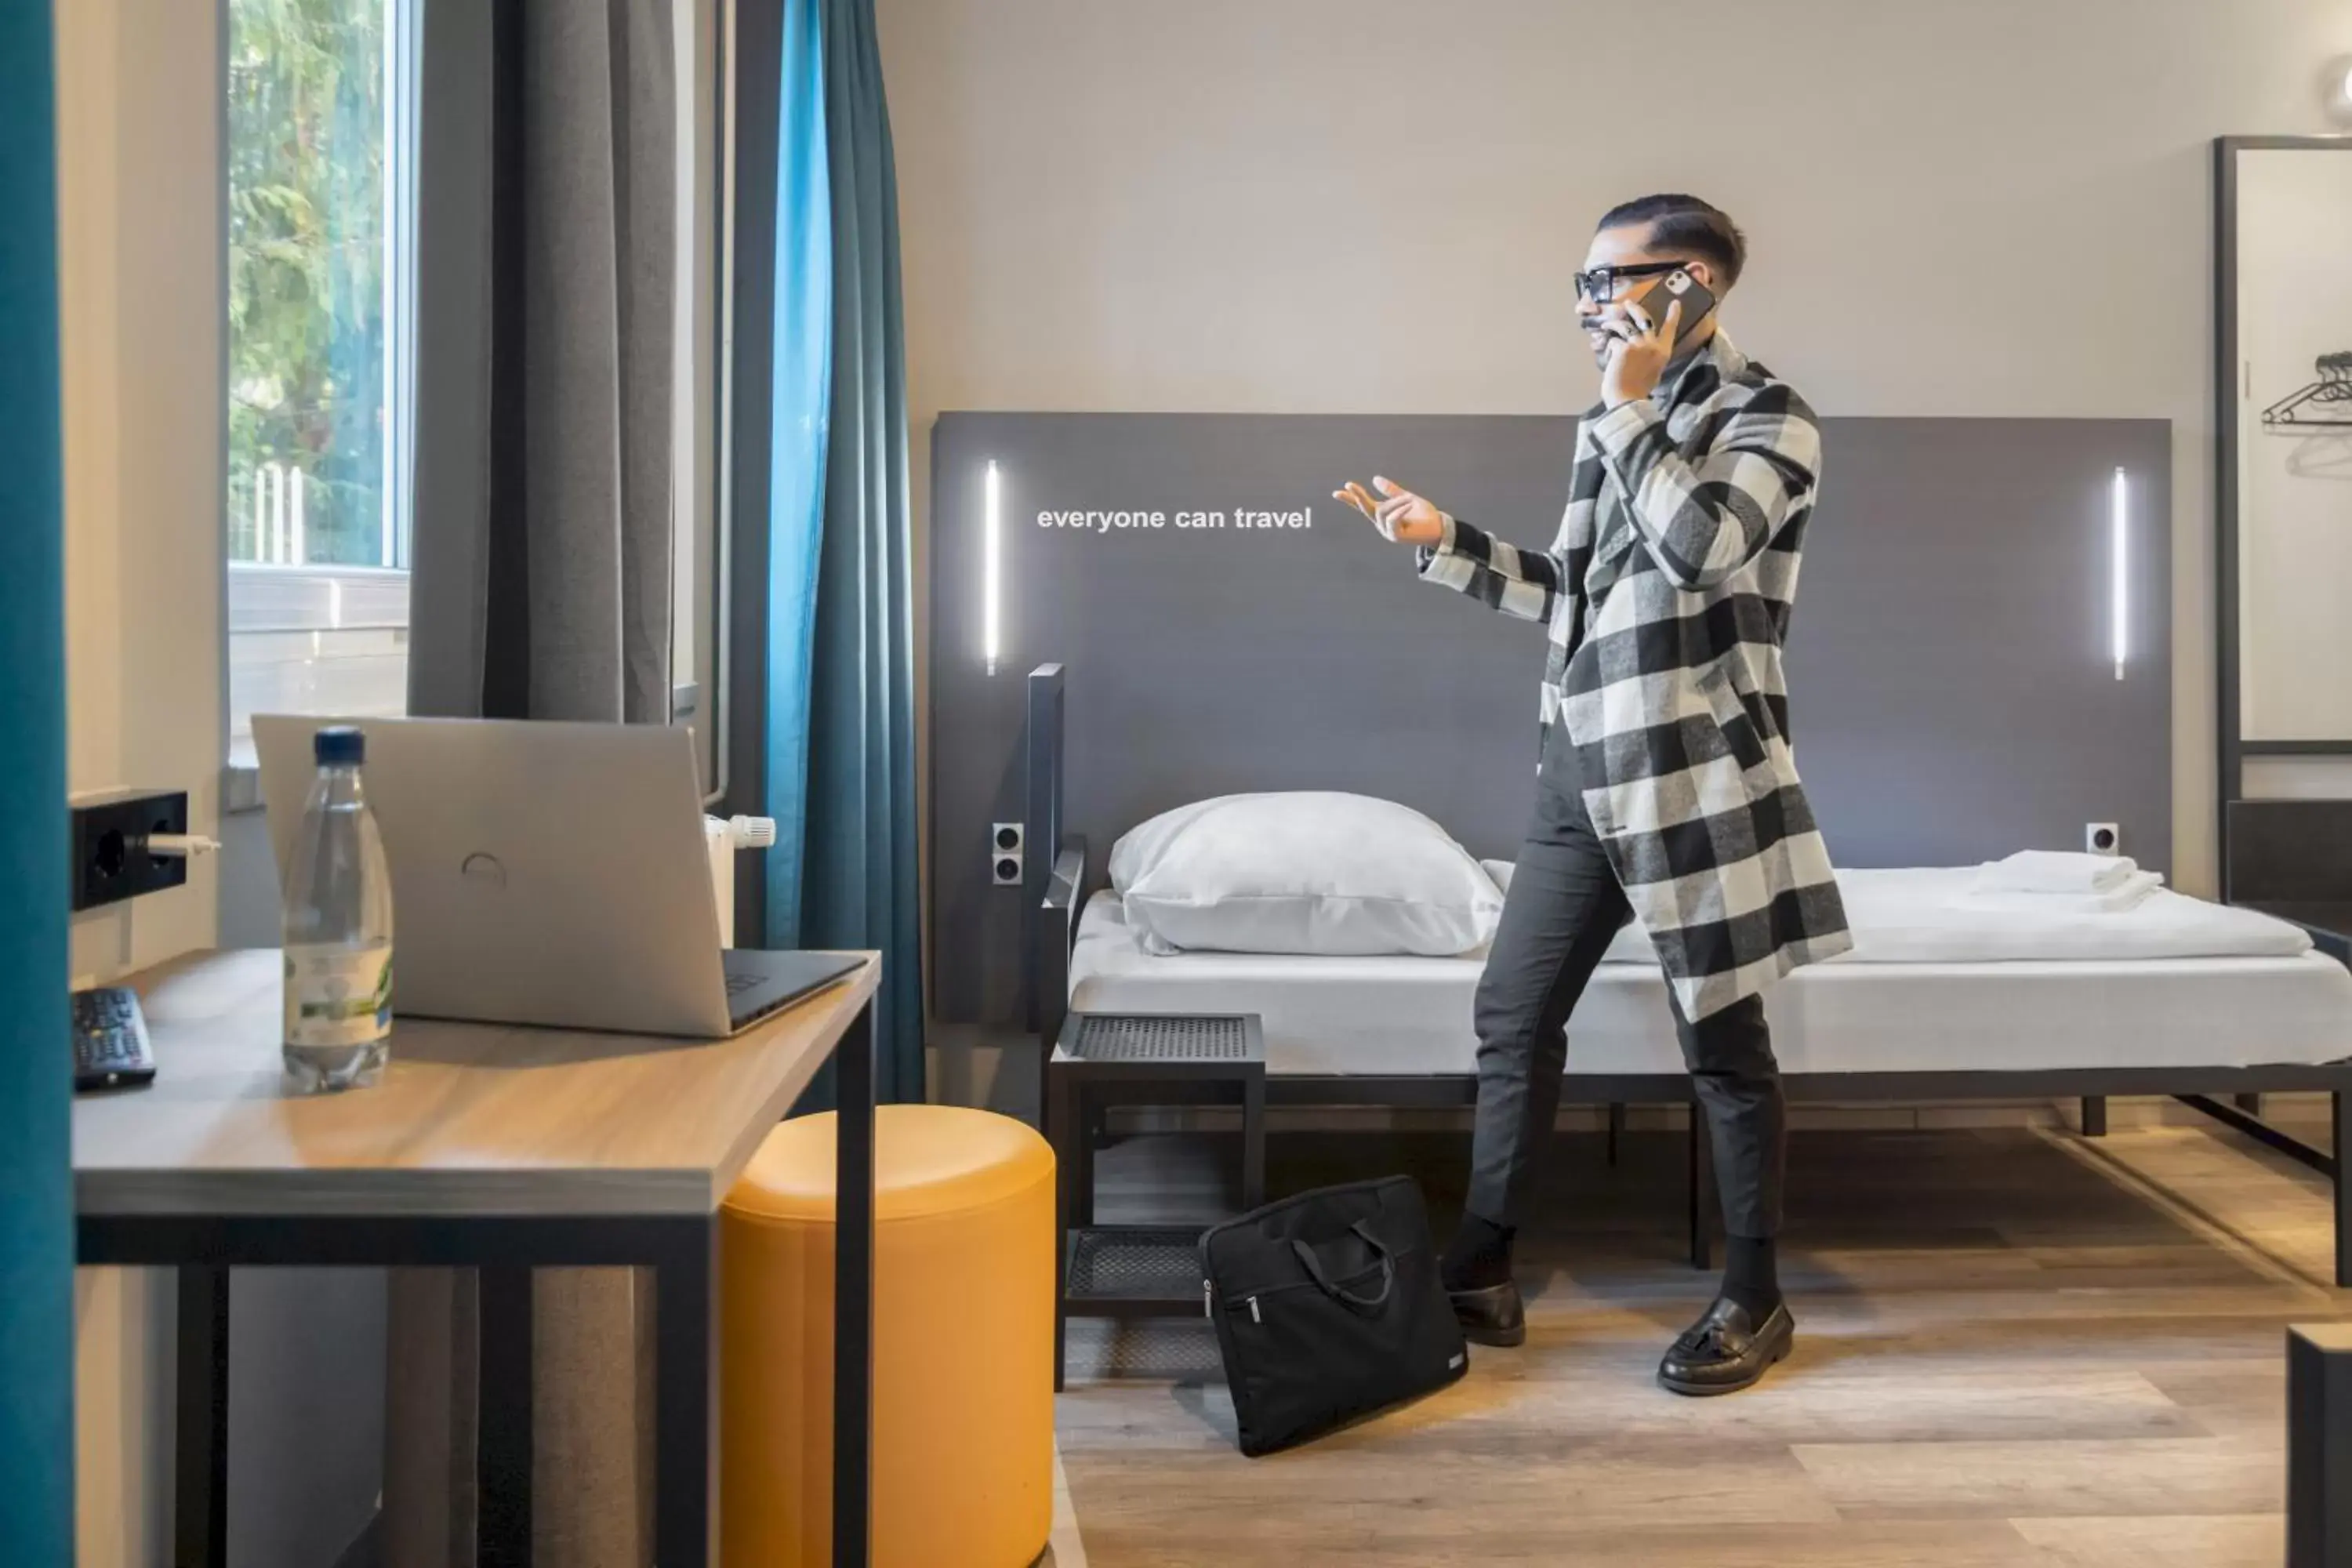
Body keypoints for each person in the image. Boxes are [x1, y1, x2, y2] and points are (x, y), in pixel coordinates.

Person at [1334, 193, 1850, 1396]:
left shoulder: (1771, 416)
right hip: (1580, 770)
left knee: (1725, 1049)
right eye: (1579, 285)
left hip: (1692, 778)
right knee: (1512, 1019)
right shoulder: (1611, 422)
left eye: (1608, 282)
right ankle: (1486, 1264)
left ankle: (1755, 1297)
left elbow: (1703, 549)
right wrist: (1445, 537)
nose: (1587, 308)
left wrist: (1627, 409)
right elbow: (1580, 596)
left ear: (1693, 285)